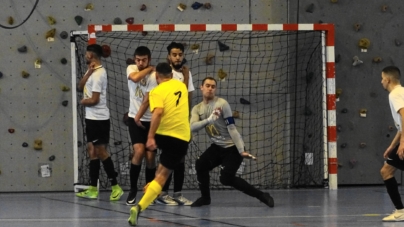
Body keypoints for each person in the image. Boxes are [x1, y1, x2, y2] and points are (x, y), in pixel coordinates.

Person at [189, 77, 274, 208]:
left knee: (226, 179)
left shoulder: (222, 104)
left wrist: (241, 150)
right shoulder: (197, 109)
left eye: (213, 86)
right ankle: (205, 198)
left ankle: (262, 195)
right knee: (200, 164)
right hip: (217, 147)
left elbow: (232, 128)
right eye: (207, 85)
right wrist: (209, 120)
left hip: (232, 148)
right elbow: (193, 127)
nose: (210, 88)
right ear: (201, 87)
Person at [128, 62, 191, 226]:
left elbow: (157, 111)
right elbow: (158, 112)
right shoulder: (182, 87)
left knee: (160, 174)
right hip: (180, 137)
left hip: (162, 135)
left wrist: (151, 136)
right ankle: (140, 206)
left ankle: (151, 185)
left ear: (157, 77)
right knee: (163, 176)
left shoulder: (156, 91)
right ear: (171, 75)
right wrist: (186, 74)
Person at [75, 44, 123, 201]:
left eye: (86, 53)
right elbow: (80, 86)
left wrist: (83, 102)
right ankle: (93, 189)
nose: (84, 54)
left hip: (99, 119)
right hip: (91, 118)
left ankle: (116, 187)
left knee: (101, 151)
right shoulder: (92, 72)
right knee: (91, 150)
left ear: (90, 55)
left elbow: (94, 100)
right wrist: (88, 72)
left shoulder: (99, 75)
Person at [155, 42, 194, 206]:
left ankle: (177, 193)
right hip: (167, 125)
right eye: (174, 54)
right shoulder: (164, 74)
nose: (177, 57)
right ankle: (161, 193)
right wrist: (184, 77)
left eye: (180, 54)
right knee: (167, 160)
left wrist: (188, 119)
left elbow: (188, 97)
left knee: (180, 159)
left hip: (181, 124)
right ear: (168, 56)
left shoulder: (186, 73)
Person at [125, 46, 157, 206]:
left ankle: (149, 192)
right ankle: (132, 189)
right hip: (133, 119)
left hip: (150, 121)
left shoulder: (154, 76)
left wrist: (151, 70)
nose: (140, 62)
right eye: (138, 59)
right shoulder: (131, 68)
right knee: (138, 152)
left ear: (149, 59)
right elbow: (135, 78)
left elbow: (147, 100)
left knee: (150, 157)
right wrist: (136, 118)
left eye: (144, 60)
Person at [380, 66, 404, 222]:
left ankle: (401, 211)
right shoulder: (401, 92)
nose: (381, 81)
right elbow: (401, 127)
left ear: (388, 80)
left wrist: (402, 144)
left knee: (386, 171)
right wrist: (392, 146)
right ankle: (400, 210)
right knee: (386, 170)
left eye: (382, 78)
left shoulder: (394, 95)